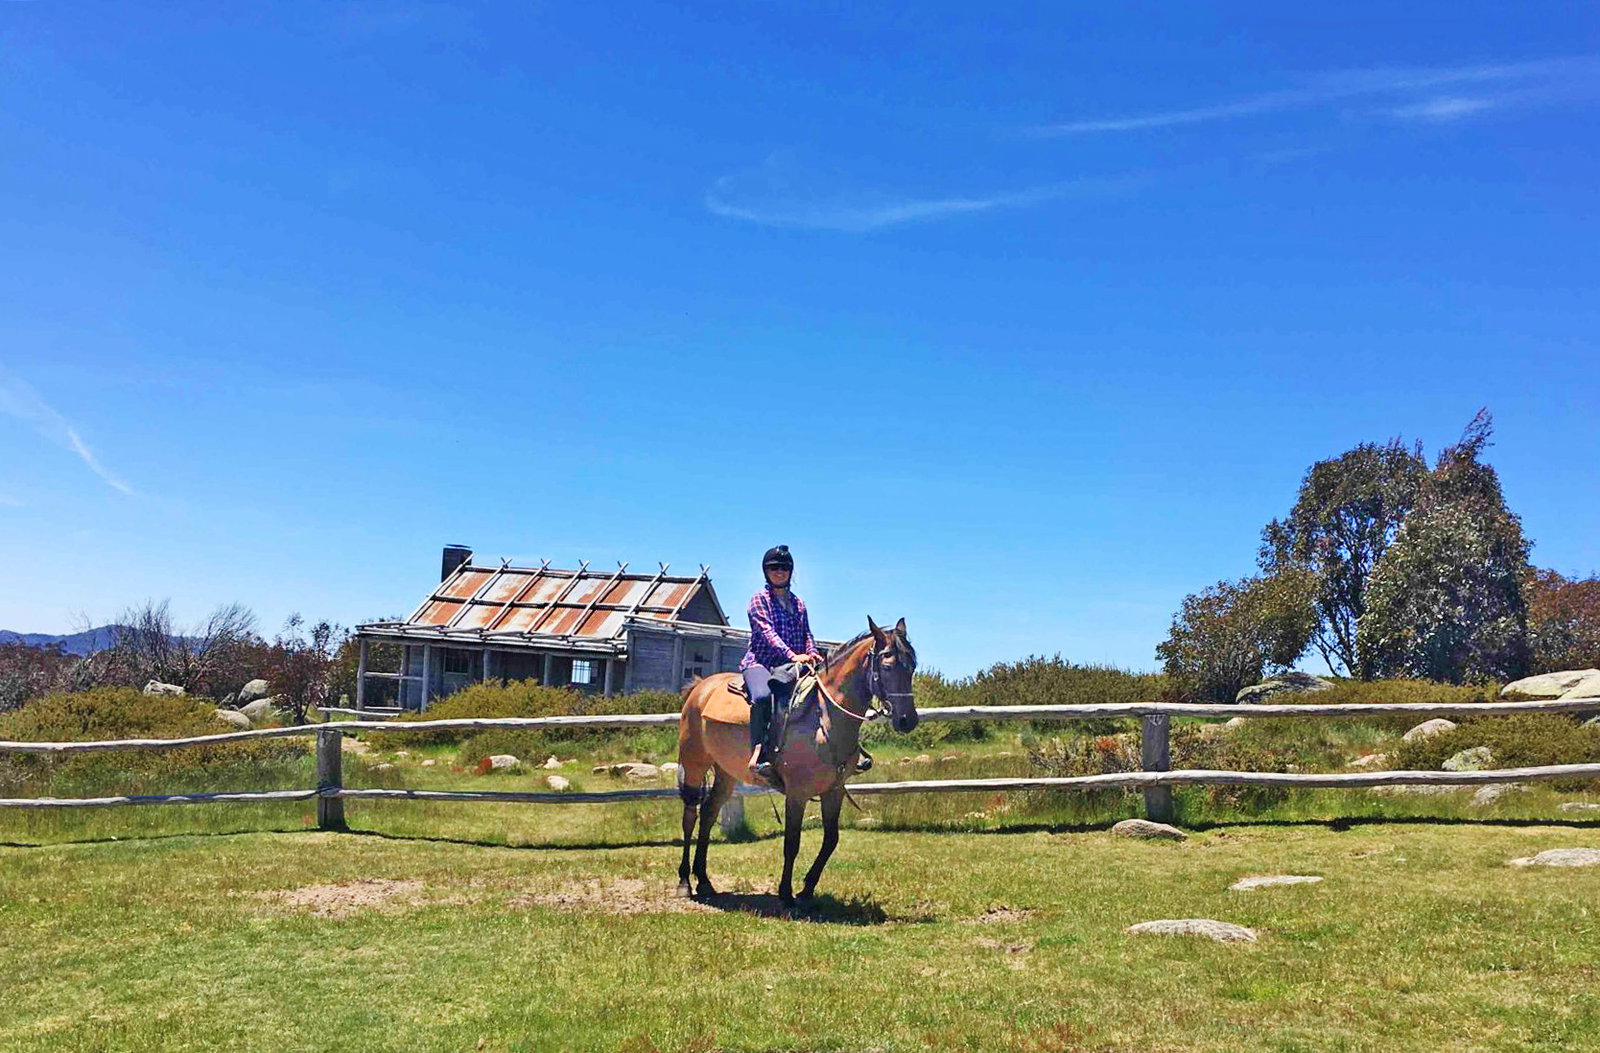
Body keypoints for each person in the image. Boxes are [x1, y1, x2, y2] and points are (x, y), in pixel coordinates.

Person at [739, 545, 824, 783]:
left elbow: (807, 633)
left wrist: (811, 652)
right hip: (762, 663)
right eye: (774, 568)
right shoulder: (759, 600)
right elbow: (767, 633)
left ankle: (838, 749)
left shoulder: (799, 604)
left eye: (784, 568)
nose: (779, 572)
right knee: (763, 697)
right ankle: (760, 752)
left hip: (793, 665)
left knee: (827, 691)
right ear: (766, 571)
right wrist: (791, 654)